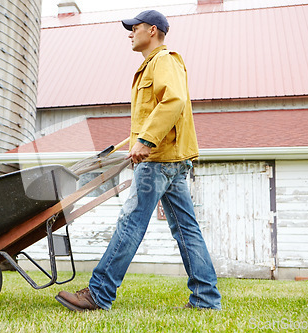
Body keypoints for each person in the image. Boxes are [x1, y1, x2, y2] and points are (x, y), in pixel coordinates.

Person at [55, 10, 222, 311]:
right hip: (169, 159)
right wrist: (138, 138)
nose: (130, 33)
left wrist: (146, 140)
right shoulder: (151, 66)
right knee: (186, 228)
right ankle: (206, 298)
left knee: (130, 222)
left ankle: (99, 294)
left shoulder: (164, 61)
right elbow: (156, 110)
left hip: (158, 160)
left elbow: (174, 101)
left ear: (153, 30)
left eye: (135, 27)